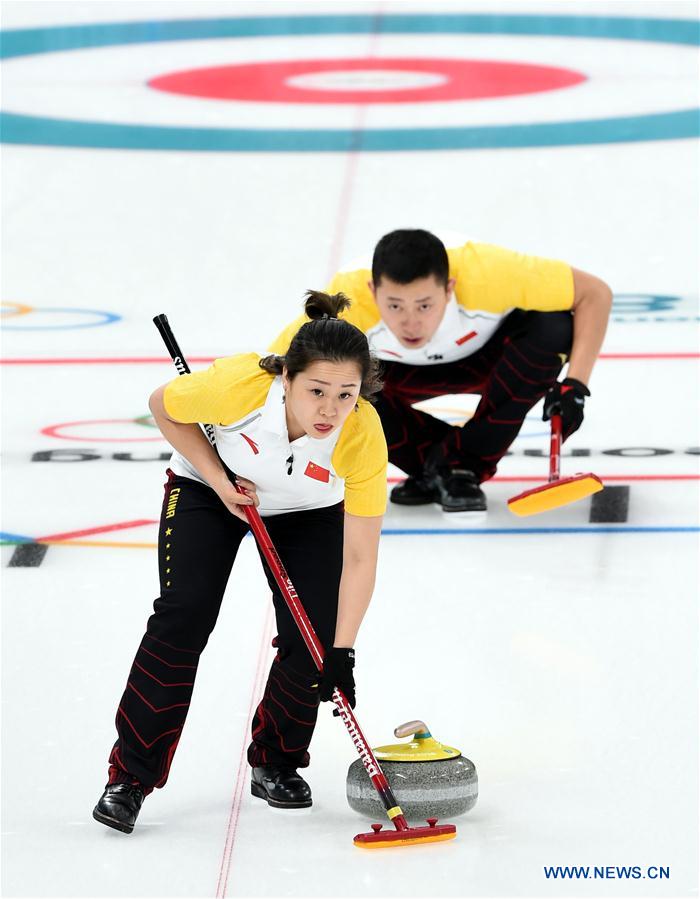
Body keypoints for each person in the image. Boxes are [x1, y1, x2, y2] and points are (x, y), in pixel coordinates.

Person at [93, 291, 387, 834]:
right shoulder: (238, 388)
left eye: (345, 394)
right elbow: (164, 404)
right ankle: (129, 777)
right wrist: (219, 478)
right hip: (209, 489)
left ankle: (276, 761)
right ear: (287, 378)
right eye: (317, 391)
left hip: (307, 511)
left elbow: (361, 554)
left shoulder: (362, 434)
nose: (330, 409)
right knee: (184, 614)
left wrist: (341, 652)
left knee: (313, 640)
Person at [270, 230, 612, 514]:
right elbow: (274, 365)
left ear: (449, 288)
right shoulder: (347, 298)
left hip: (488, 362)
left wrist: (576, 385)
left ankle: (444, 467)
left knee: (553, 327)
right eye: (394, 306)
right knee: (329, 378)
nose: (410, 322)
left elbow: (594, 294)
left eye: (424, 305)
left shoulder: (489, 272)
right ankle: (448, 466)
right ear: (372, 292)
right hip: (388, 376)